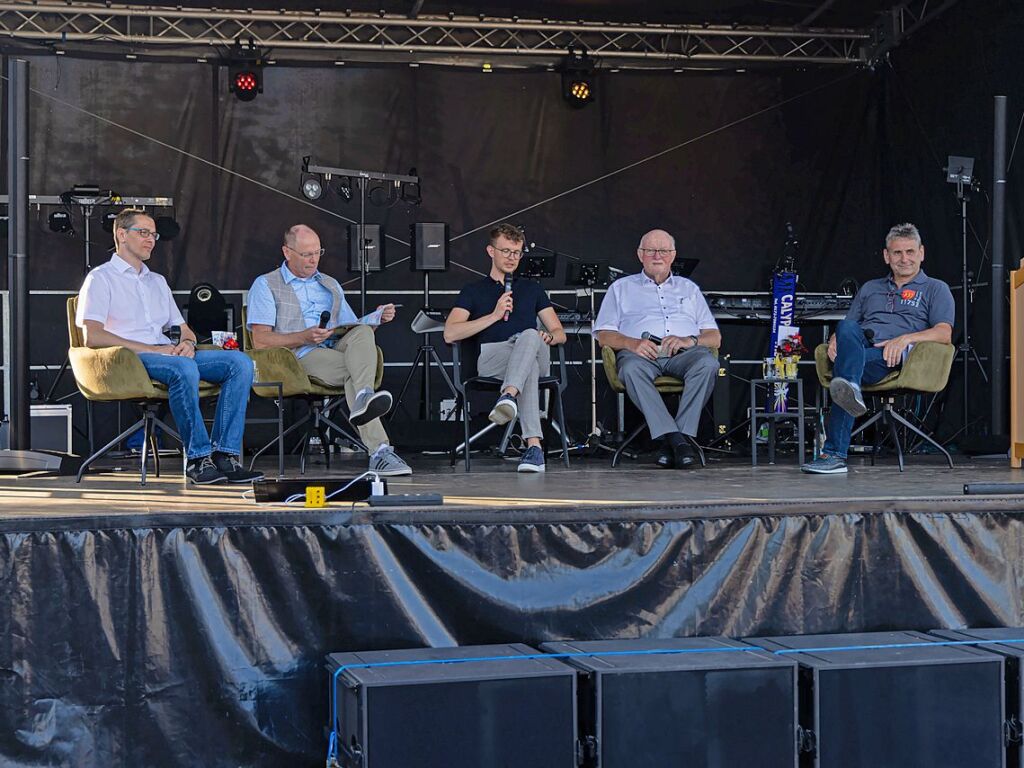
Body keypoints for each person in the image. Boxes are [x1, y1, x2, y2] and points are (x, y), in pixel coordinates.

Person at [76, 208, 263, 485]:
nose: (151, 239)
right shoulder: (101, 278)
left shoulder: (157, 281)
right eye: (144, 233)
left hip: (168, 354)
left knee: (240, 363)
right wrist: (150, 349)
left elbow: (183, 328)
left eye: (154, 234)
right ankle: (198, 459)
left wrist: (187, 343)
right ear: (121, 235)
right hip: (129, 359)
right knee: (183, 368)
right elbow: (92, 335)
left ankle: (225, 455)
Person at [246, 224, 412, 476]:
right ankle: (380, 451)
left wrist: (375, 319)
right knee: (353, 372)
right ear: (287, 252)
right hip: (296, 358)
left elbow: (351, 329)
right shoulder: (266, 284)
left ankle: (365, 396)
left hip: (334, 347)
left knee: (364, 332)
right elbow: (260, 341)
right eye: (306, 254)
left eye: (317, 252)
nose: (313, 260)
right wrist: (303, 336)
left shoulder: (330, 283)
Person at [801, 222, 955, 475]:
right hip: (861, 347)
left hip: (891, 358)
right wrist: (834, 341)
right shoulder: (870, 288)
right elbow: (850, 326)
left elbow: (944, 333)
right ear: (886, 256)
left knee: (846, 371)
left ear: (921, 253)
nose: (904, 259)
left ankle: (834, 454)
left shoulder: (936, 288)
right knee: (847, 328)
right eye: (897, 253)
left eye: (910, 252)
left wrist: (904, 339)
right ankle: (850, 388)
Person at [443, 222, 566, 473]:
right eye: (506, 251)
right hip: (494, 358)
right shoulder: (473, 291)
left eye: (517, 252)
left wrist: (548, 337)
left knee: (530, 336)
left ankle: (508, 396)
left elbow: (560, 333)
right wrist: (494, 316)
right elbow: (450, 333)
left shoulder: (532, 289)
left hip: (533, 348)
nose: (512, 258)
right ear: (491, 251)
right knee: (528, 363)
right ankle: (534, 447)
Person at [594, 229, 720, 469]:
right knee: (630, 369)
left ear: (673, 255)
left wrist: (689, 340)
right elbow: (604, 335)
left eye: (663, 250)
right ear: (640, 254)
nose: (657, 256)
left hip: (683, 355)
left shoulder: (689, 289)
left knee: (708, 363)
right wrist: (632, 343)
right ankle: (678, 441)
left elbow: (714, 337)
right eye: (650, 250)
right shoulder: (620, 288)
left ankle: (672, 439)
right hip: (641, 355)